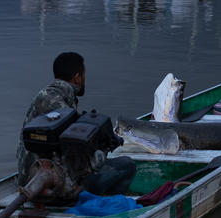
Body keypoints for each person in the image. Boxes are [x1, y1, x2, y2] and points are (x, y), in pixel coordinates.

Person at [16, 52, 135, 195]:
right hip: (45, 180)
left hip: (35, 175)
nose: (84, 80)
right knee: (127, 165)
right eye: (84, 75)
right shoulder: (54, 101)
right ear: (77, 77)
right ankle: (102, 205)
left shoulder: (50, 96)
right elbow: (74, 145)